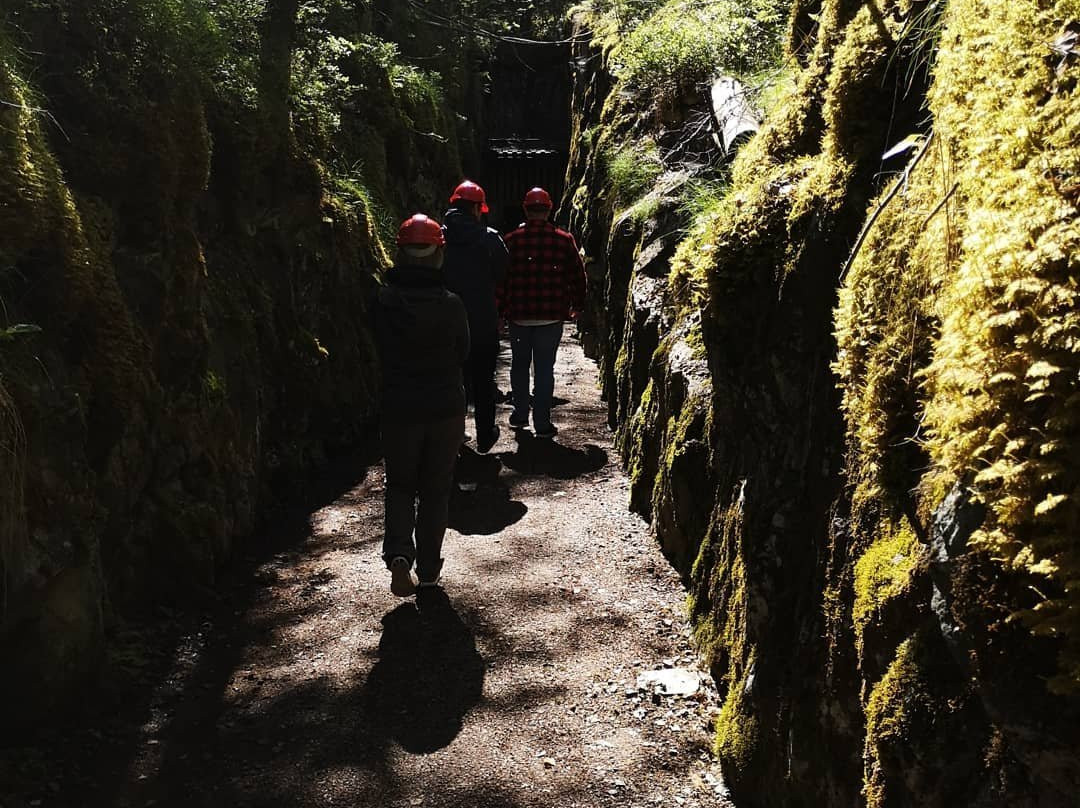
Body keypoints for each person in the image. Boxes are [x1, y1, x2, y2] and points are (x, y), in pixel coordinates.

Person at [374, 214, 470, 597]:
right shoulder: (452, 305)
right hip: (445, 406)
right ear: (439, 255)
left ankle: (399, 554)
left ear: (399, 252)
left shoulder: (382, 302)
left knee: (400, 485)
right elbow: (463, 351)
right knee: (435, 489)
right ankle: (429, 569)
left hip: (399, 407)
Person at [499, 187, 587, 438]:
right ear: (550, 210)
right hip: (551, 315)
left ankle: (519, 414)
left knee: (519, 366)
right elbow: (577, 277)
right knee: (545, 368)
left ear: (525, 209)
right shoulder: (563, 239)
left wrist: (501, 312)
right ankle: (542, 422)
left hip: (519, 315)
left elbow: (502, 280)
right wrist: (578, 305)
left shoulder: (512, 240)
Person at [442, 180, 509, 454]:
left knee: (451, 379)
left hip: (445, 320)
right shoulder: (490, 238)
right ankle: (485, 433)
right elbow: (504, 273)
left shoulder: (439, 237)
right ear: (476, 209)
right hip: (482, 319)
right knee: (483, 379)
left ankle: (454, 436)